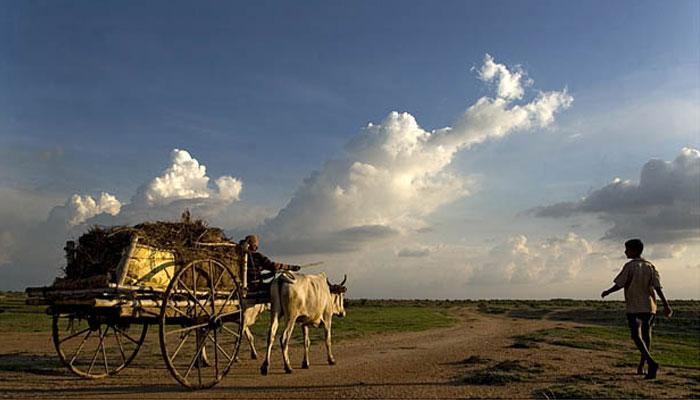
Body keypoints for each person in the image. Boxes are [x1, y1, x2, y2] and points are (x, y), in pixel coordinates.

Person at [601, 238, 672, 380]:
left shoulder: (630, 266)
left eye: (627, 249)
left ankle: (651, 363)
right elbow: (658, 287)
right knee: (646, 336)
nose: (625, 252)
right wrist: (666, 304)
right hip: (649, 306)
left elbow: (620, 284)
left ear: (633, 250)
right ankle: (642, 366)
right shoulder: (650, 266)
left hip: (634, 306)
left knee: (636, 335)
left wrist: (608, 291)